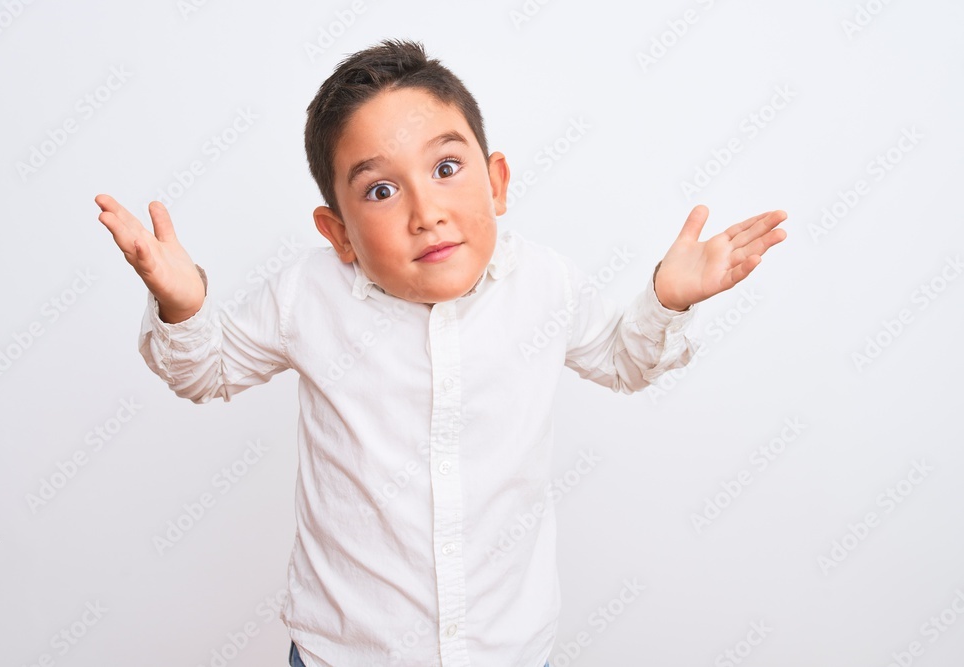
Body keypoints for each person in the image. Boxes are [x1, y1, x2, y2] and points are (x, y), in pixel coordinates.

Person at [95, 38, 786, 667]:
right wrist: (183, 304)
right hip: (346, 653)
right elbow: (208, 369)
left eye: (447, 167)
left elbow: (623, 359)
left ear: (498, 182)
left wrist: (667, 299)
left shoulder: (543, 283)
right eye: (381, 189)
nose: (425, 211)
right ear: (337, 232)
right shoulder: (307, 294)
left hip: (507, 648)